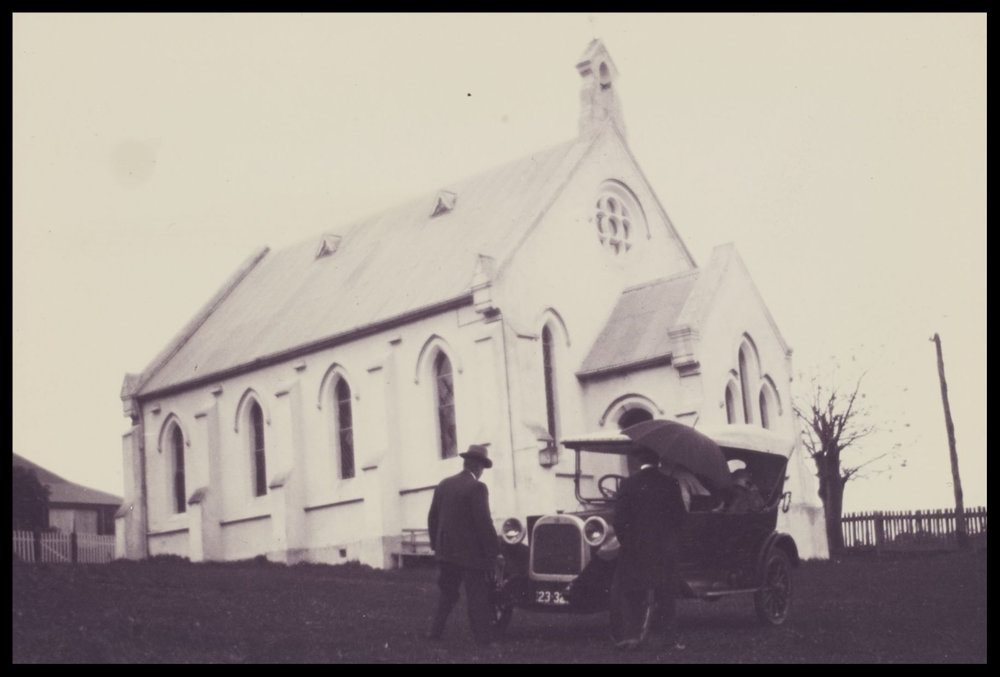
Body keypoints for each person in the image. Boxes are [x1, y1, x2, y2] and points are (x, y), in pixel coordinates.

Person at [610, 446, 688, 652]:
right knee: (666, 594)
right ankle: (669, 638)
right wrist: (669, 540)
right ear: (658, 460)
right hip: (664, 550)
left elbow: (619, 520)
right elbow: (680, 518)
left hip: (635, 550)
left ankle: (630, 636)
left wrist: (628, 542)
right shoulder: (670, 483)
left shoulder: (628, 484)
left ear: (638, 461)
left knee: (630, 592)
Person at [426, 443, 504, 645]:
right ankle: (483, 639)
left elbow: (432, 518)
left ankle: (434, 633)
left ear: (465, 463)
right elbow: (484, 523)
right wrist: (495, 552)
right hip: (471, 556)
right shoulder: (477, 487)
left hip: (446, 553)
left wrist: (436, 545)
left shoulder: (444, 484)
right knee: (477, 597)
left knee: (448, 595)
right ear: (478, 467)